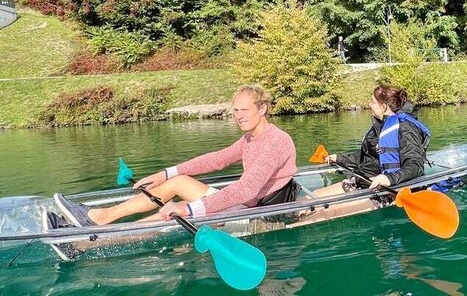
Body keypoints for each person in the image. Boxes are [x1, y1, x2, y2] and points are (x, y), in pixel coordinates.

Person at [46, 84, 297, 230]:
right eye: (235, 111)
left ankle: (97, 236)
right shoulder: (251, 138)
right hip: (245, 208)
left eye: (244, 110)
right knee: (178, 182)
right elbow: (216, 159)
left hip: (261, 221)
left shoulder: (275, 141)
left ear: (262, 109)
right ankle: (103, 218)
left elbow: (246, 189)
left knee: (169, 212)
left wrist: (188, 208)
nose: (238, 116)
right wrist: (164, 174)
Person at [314, 85, 430, 196]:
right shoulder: (379, 126)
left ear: (383, 106)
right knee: (313, 196)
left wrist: (389, 178)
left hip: (386, 191)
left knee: (319, 212)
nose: (369, 104)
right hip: (364, 183)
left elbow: (415, 165)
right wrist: (339, 158)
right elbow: (369, 158)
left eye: (373, 102)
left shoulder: (406, 128)